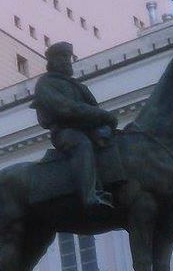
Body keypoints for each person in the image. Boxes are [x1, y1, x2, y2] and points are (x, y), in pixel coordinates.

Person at [33, 40, 117, 208]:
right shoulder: (46, 83)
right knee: (82, 145)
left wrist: (106, 124)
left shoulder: (79, 86)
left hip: (89, 130)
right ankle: (89, 195)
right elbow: (65, 108)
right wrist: (101, 115)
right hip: (65, 132)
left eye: (68, 57)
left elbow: (94, 109)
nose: (66, 60)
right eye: (62, 57)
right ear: (53, 61)